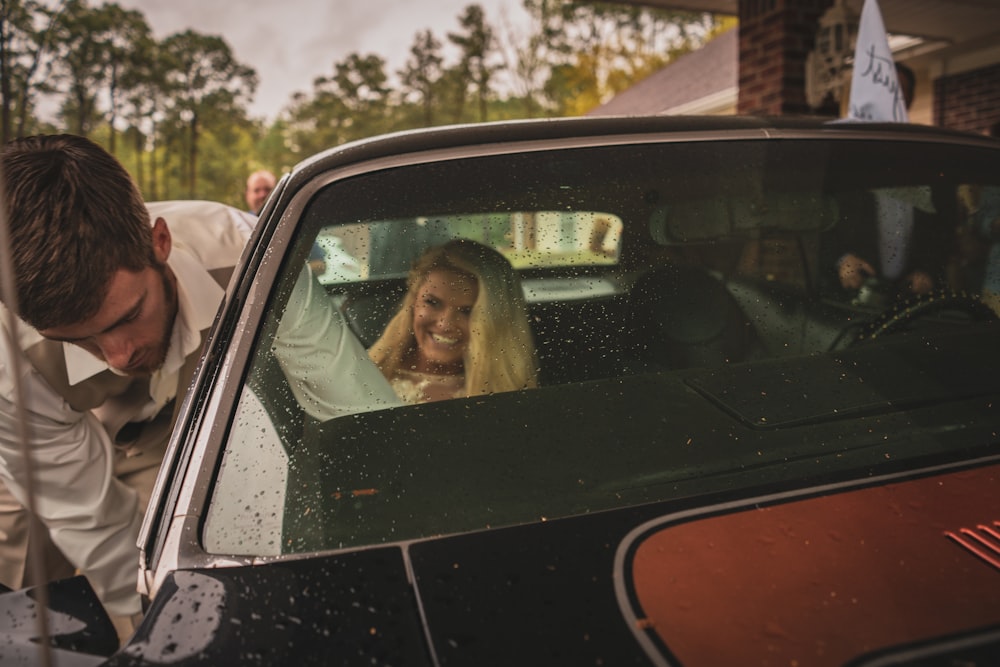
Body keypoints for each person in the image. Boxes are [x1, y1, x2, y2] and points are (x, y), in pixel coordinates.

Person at [0, 135, 397, 632]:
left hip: (186, 417)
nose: (119, 357)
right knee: (23, 591)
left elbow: (351, 401)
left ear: (158, 242)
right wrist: (164, 624)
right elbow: (90, 522)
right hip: (34, 445)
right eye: (80, 340)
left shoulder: (250, 252)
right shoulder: (6, 358)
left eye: (127, 316)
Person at [368, 239, 538, 404]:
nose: (445, 324)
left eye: (467, 312)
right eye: (432, 303)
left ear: (497, 322)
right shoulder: (365, 373)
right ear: (413, 301)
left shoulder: (509, 397)